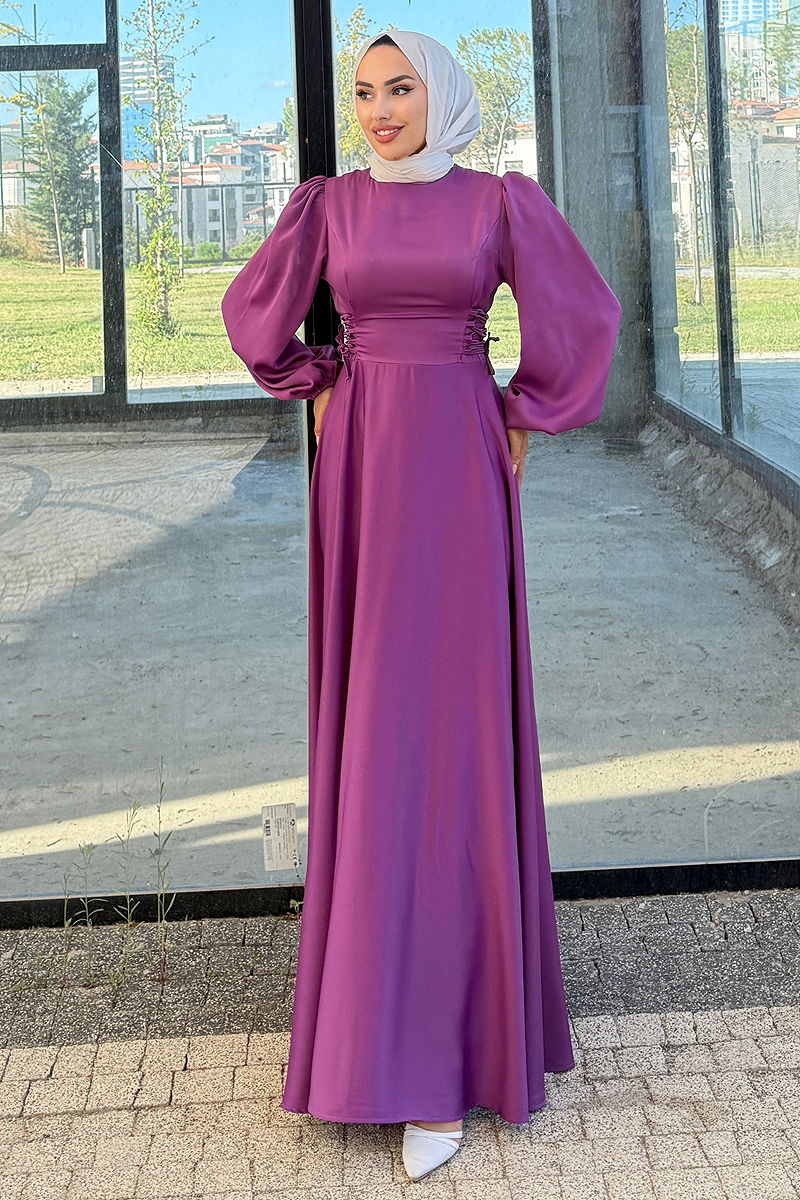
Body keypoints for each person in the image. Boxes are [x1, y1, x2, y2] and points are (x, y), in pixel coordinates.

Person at [221, 28, 622, 1184]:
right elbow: (255, 314)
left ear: (439, 94)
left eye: (399, 89)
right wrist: (316, 380)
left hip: (454, 456)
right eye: (363, 92)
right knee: (376, 730)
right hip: (362, 464)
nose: (379, 109)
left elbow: (583, 313)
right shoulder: (330, 205)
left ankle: (450, 1053)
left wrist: (522, 407)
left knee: (452, 734)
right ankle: (376, 1041)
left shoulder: (498, 202)